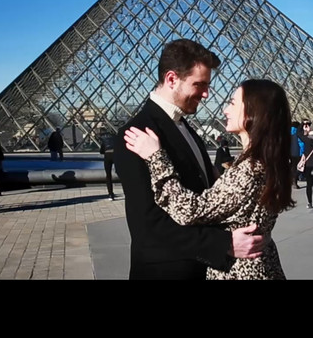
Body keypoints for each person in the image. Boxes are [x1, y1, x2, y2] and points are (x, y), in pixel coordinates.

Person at [112, 38, 266, 280]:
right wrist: (223, 243)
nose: (206, 94)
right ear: (172, 79)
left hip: (200, 268)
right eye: (200, 84)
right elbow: (148, 225)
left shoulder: (186, 127)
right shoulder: (135, 134)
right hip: (166, 271)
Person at [124, 78, 294, 280]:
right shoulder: (264, 162)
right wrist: (220, 179)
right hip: (262, 264)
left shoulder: (249, 169)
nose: (225, 110)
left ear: (252, 113)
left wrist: (156, 157)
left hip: (239, 271)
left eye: (232, 103)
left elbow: (188, 210)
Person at [99, 131, 117, 200]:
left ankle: (110, 194)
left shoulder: (104, 140)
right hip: (115, 155)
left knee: (108, 175)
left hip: (107, 155)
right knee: (120, 174)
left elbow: (101, 151)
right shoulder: (116, 138)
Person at [290, 121, 303, 189]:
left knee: (292, 166)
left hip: (289, 152)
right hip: (297, 152)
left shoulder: (288, 131)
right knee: (298, 167)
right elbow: (301, 143)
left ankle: (292, 181)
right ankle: (294, 181)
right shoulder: (298, 132)